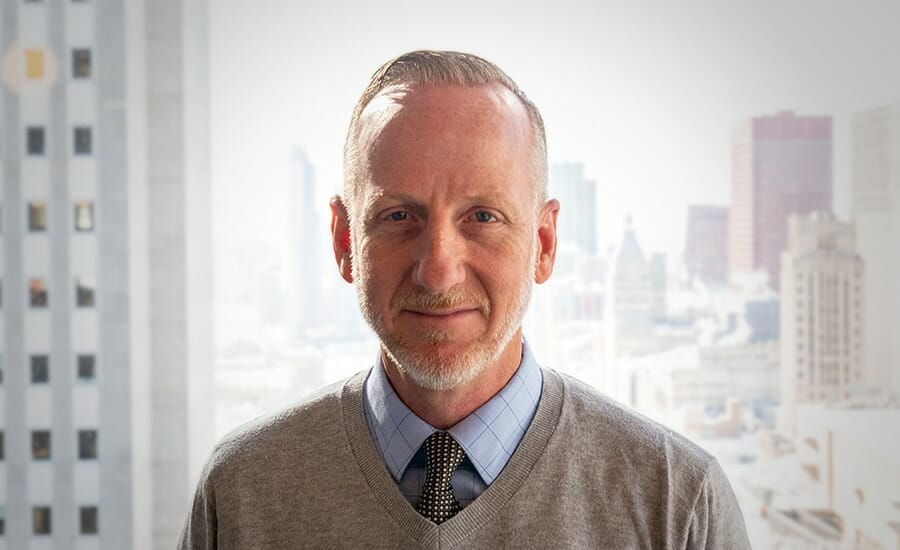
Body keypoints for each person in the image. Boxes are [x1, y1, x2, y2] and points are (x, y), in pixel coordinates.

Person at [179, 50, 751, 549]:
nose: (438, 270)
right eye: (399, 216)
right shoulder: (243, 492)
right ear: (344, 241)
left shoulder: (677, 503)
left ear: (543, 244)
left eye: (482, 217)